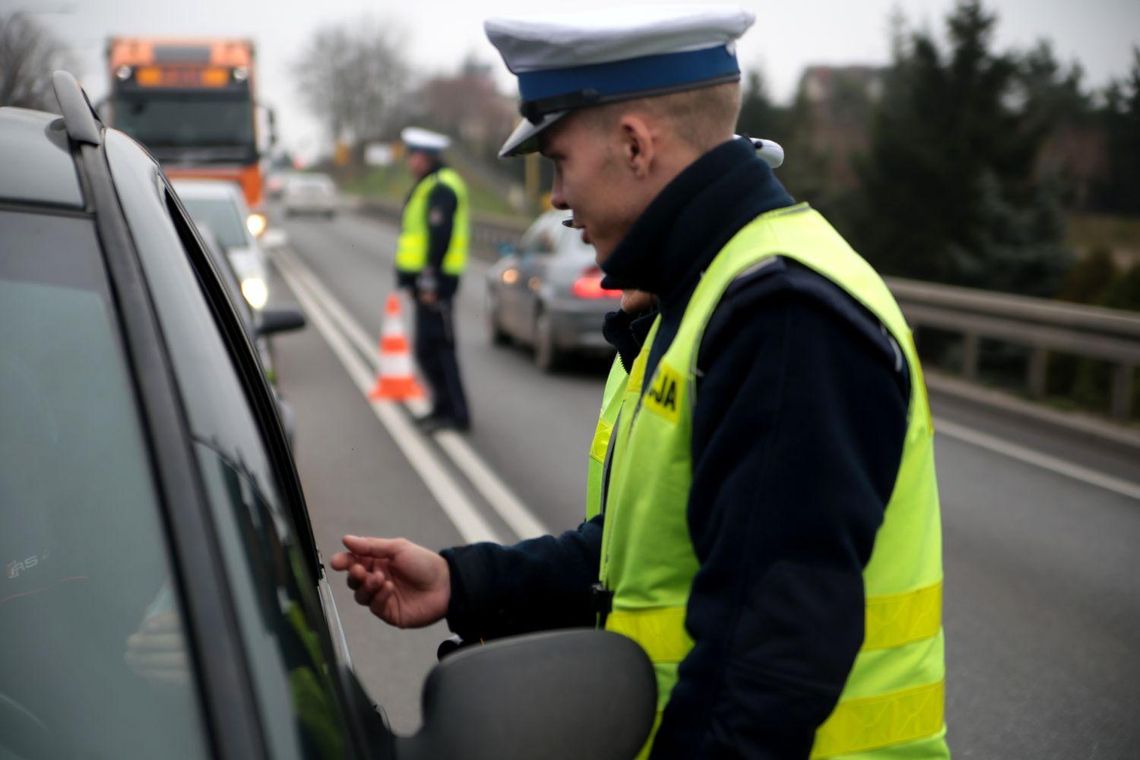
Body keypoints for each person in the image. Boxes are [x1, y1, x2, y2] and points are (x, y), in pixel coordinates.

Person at [332, 7, 949, 758]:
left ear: (633, 145)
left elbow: (766, 669)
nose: (555, 199)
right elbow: (635, 558)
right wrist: (464, 585)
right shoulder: (698, 298)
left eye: (558, 162)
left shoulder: (780, 316)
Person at [394, 126, 471, 432]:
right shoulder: (430, 184)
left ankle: (457, 414)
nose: (410, 161)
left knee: (438, 348)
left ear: (426, 157)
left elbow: (440, 237)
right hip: (428, 283)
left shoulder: (441, 187)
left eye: (413, 156)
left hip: (436, 283)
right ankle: (442, 409)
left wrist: (428, 282)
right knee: (429, 349)